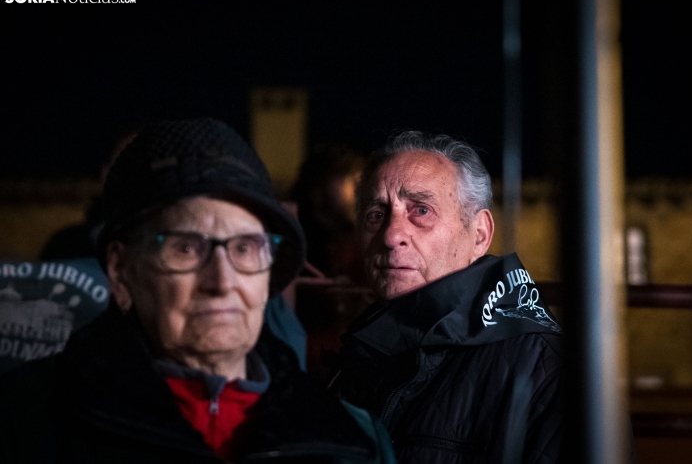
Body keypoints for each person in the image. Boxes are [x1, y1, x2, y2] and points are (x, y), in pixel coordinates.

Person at [0, 118, 395, 464]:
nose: (222, 282)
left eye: (244, 248)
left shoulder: (352, 439)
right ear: (121, 272)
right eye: (186, 248)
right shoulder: (26, 421)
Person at [327, 131, 565, 463]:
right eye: (376, 214)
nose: (392, 234)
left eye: (421, 210)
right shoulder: (359, 353)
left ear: (479, 235)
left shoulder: (549, 371)